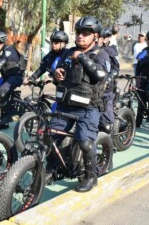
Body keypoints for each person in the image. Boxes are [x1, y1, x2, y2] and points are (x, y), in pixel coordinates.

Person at [52, 16, 109, 192]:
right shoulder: (68, 53)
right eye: (78, 33)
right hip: (65, 105)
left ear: (96, 36)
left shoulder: (101, 54)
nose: (80, 37)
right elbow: (59, 74)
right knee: (51, 138)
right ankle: (52, 168)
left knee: (84, 141)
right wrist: (57, 74)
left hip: (88, 107)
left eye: (86, 33)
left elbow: (100, 75)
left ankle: (90, 176)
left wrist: (82, 57)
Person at [98, 28, 120, 134]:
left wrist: (108, 80)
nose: (103, 39)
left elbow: (116, 68)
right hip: (92, 87)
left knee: (106, 122)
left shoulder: (110, 51)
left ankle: (109, 142)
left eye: (106, 37)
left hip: (106, 87)